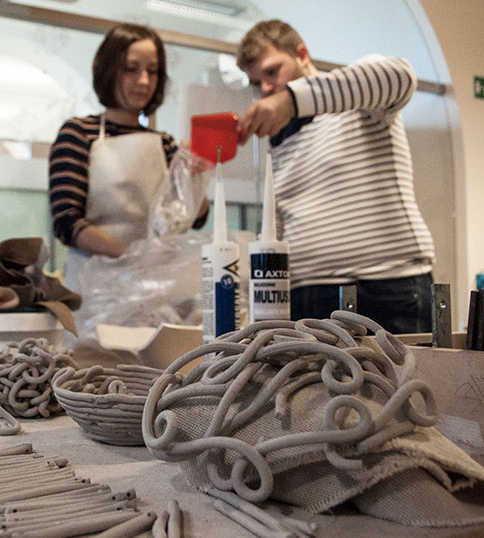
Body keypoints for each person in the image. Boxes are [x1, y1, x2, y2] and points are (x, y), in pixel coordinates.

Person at [235, 19, 436, 334]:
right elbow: (281, 225)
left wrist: (290, 99)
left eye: (272, 72)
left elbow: (400, 75)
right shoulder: (280, 140)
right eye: (256, 82)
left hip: (384, 287)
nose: (265, 89)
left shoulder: (359, 97)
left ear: (302, 55)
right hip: (306, 298)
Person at [49, 23, 208, 293]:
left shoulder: (165, 144)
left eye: (152, 71)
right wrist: (130, 257)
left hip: (154, 286)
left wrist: (195, 176)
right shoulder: (78, 133)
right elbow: (67, 221)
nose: (143, 80)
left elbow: (194, 219)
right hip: (95, 289)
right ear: (108, 70)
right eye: (130, 69)